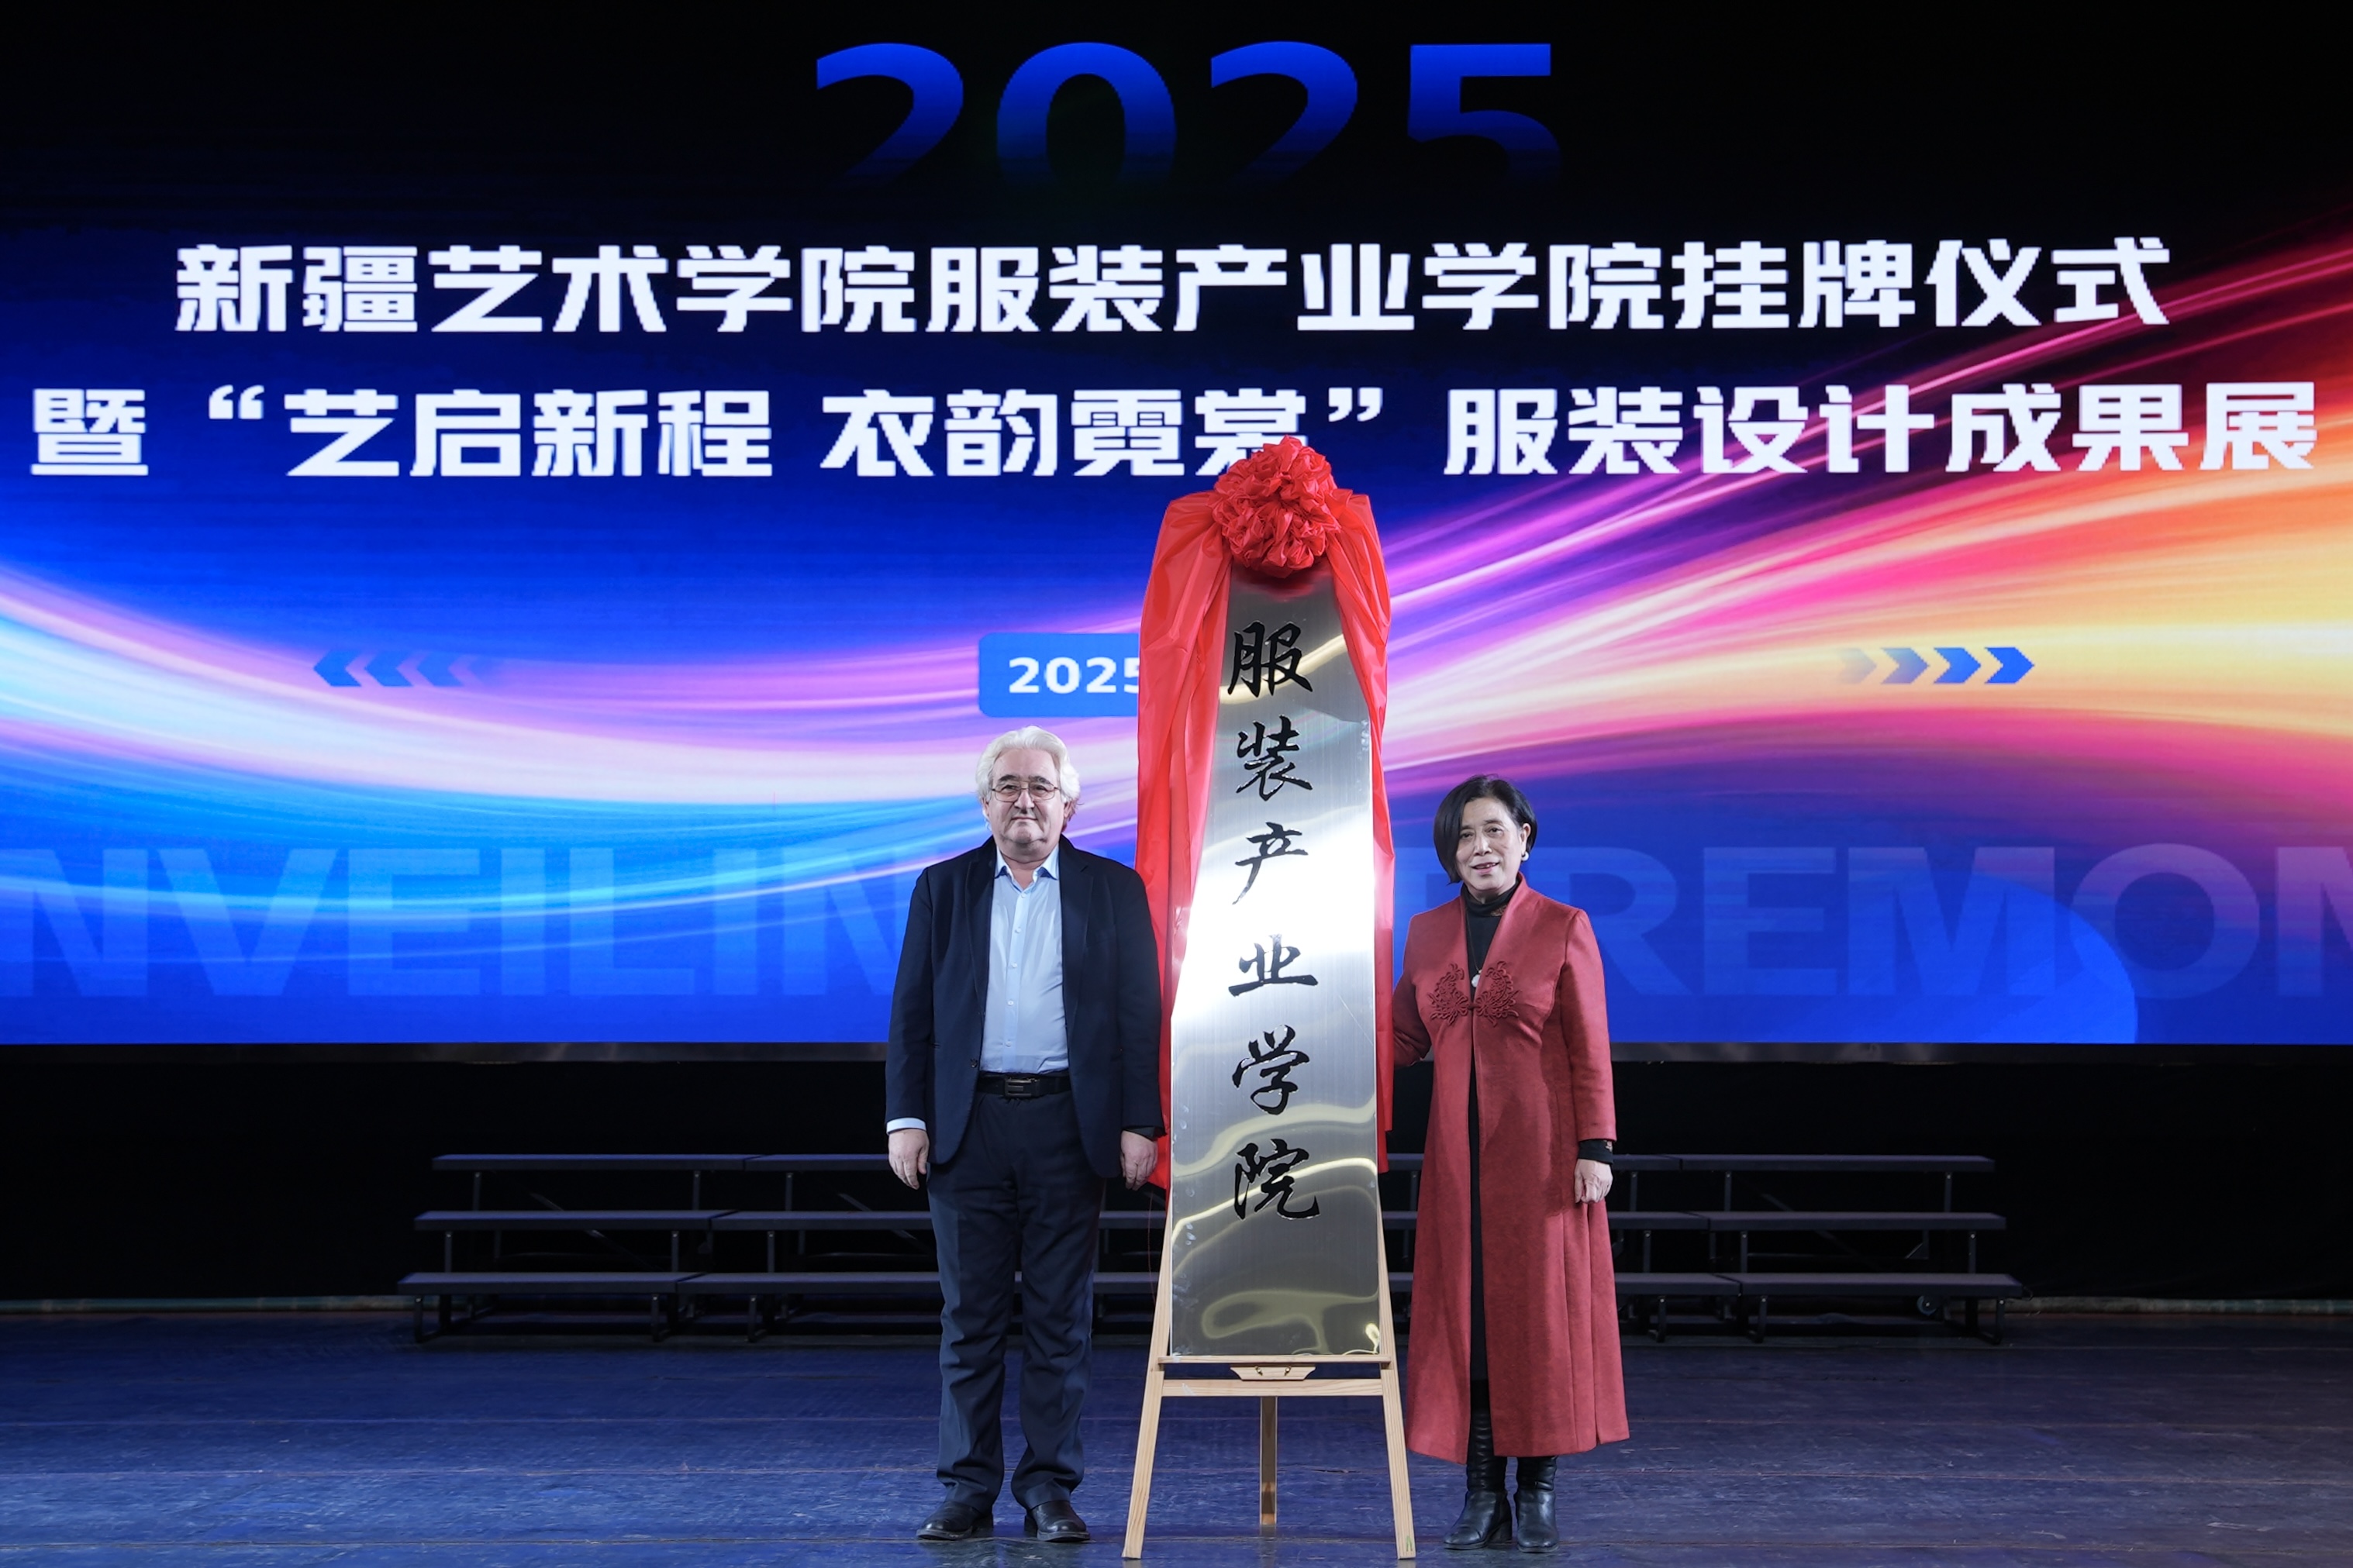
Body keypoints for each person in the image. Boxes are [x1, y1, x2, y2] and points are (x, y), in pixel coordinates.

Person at [885, 726, 1164, 1545]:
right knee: (968, 1320)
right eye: (1007, 785)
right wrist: (906, 1117)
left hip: (1066, 1124)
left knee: (1058, 1320)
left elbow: (1138, 1014)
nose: (1024, 800)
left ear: (1069, 804)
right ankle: (966, 1489)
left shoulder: (1113, 889)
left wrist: (1139, 1121)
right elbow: (911, 1011)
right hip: (965, 1126)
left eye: (1041, 786)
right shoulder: (942, 888)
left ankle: (1049, 1488)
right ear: (985, 803)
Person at [1392, 775, 1627, 1552]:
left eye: (1493, 830)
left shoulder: (1562, 925)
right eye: (1463, 835)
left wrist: (1595, 1146)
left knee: (1537, 1324)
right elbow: (1400, 1038)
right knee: (1470, 1324)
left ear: (1524, 837)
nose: (1479, 847)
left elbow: (1588, 1044)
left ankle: (1538, 1492)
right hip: (1456, 1165)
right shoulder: (1425, 931)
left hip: (1542, 1161)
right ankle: (1481, 1492)